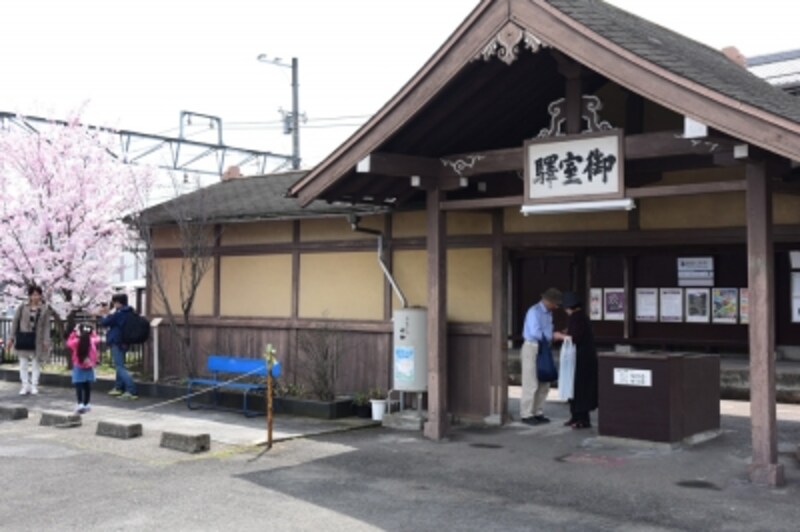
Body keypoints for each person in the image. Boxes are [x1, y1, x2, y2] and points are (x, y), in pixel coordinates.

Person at [520, 287, 563, 425]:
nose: (556, 306)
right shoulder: (534, 311)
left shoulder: (548, 313)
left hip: (544, 347)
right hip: (532, 347)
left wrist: (552, 336)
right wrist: (552, 336)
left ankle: (538, 411)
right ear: (547, 301)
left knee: (544, 381)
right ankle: (526, 414)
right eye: (555, 303)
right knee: (530, 382)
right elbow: (534, 332)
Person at [560, 292, 599, 429]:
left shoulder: (576, 318)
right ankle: (576, 417)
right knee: (578, 389)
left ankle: (581, 419)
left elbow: (575, 337)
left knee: (579, 389)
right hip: (585, 357)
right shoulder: (582, 316)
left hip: (581, 359)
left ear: (569, 307)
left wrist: (562, 336)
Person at [10, 285, 52, 395]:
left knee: (35, 363)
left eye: (38, 294)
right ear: (29, 295)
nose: (36, 297)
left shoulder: (45, 308)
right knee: (23, 363)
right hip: (24, 338)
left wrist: (46, 340)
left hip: (38, 339)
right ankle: (25, 385)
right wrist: (11, 337)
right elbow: (15, 322)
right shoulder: (22, 306)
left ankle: (34, 385)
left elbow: (47, 325)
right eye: (33, 294)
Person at [97, 293, 138, 400]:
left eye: (114, 302)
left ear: (118, 302)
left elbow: (105, 322)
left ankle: (131, 390)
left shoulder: (120, 313)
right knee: (120, 365)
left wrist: (103, 315)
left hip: (117, 341)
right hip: (125, 342)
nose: (113, 304)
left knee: (119, 367)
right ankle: (118, 387)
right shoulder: (129, 312)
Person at [67, 323, 100, 414]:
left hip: (79, 366)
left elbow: (68, 343)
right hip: (89, 366)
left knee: (79, 385)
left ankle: (80, 403)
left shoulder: (76, 342)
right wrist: (93, 332)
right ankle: (87, 403)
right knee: (87, 385)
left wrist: (73, 332)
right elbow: (98, 339)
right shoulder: (92, 340)